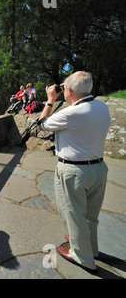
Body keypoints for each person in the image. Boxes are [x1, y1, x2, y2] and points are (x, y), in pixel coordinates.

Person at [37, 71, 110, 273]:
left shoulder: (71, 113)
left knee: (74, 214)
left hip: (74, 170)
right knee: (90, 216)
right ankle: (91, 249)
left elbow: (41, 125)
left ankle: (82, 257)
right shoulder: (101, 107)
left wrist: (50, 100)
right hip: (99, 168)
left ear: (69, 90)